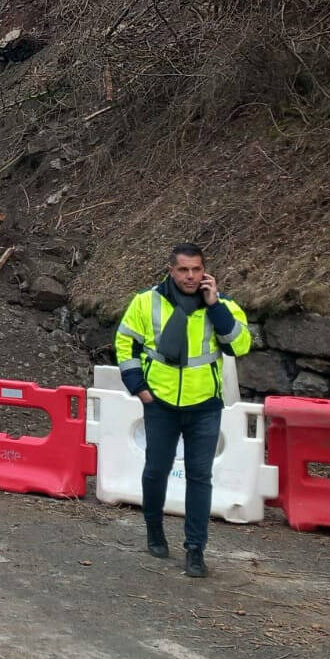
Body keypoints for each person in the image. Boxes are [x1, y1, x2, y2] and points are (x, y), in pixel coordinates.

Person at [115, 242, 252, 578]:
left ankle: (195, 549)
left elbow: (240, 346)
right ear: (171, 270)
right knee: (156, 470)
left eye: (196, 269)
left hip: (204, 405)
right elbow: (125, 343)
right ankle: (154, 530)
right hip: (160, 403)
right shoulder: (146, 301)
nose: (190, 276)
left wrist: (215, 306)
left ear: (205, 270)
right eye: (183, 270)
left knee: (199, 477)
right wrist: (139, 387)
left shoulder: (223, 305)